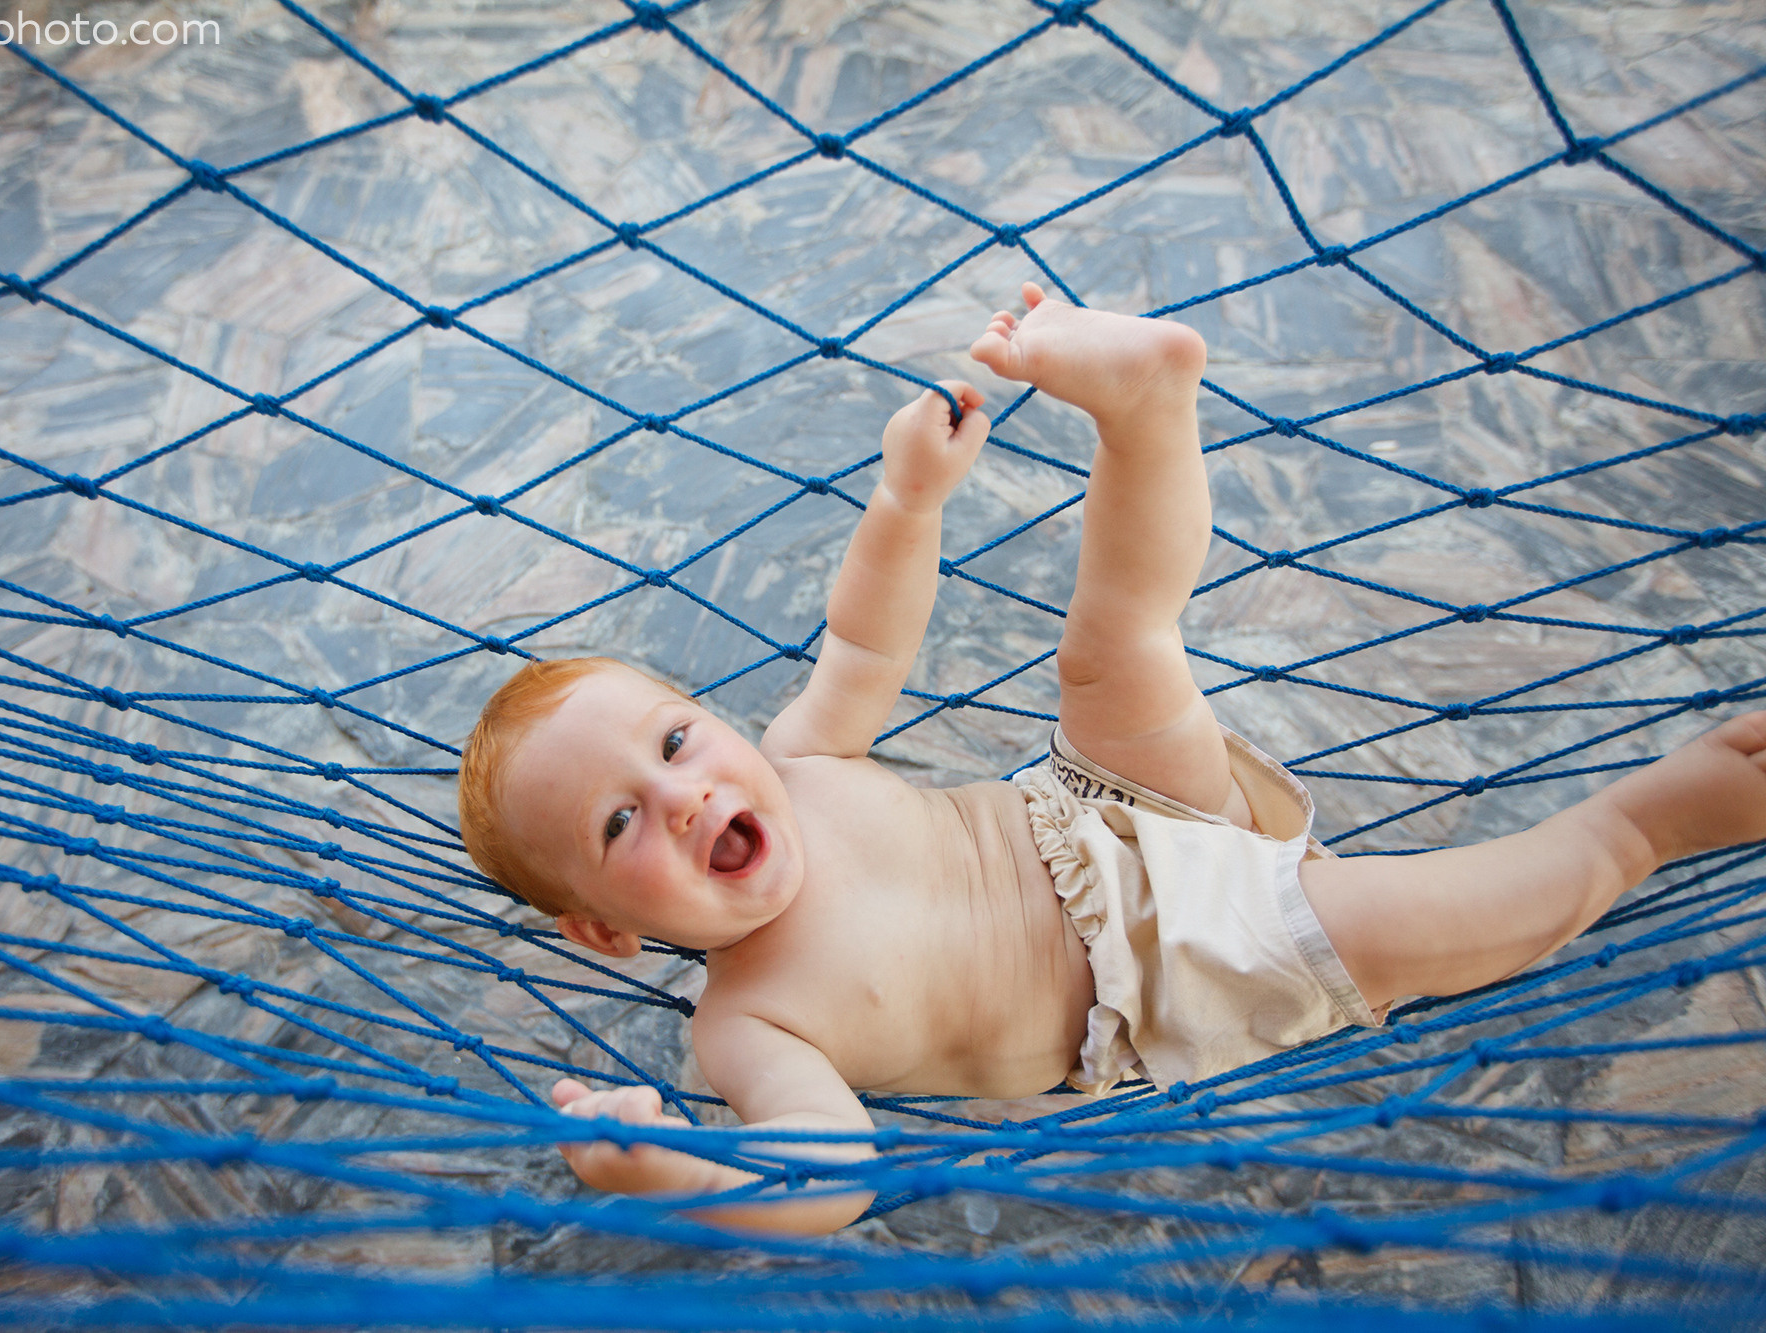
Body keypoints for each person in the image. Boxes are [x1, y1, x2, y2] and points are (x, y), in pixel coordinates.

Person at [456, 283, 1766, 1235]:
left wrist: (909, 494)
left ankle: (1147, 408)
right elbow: (824, 1176)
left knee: (1117, 643)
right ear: (607, 932)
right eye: (624, 822)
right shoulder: (749, 1024)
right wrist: (659, 1161)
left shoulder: (796, 760)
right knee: (1403, 915)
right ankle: (1642, 825)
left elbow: (862, 635)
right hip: (1164, 974)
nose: (687, 794)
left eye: (678, 739)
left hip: (1097, 805)